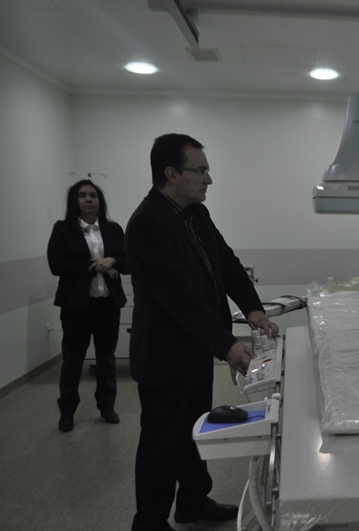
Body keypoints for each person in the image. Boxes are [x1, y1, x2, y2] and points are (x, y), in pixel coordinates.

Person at [125, 133, 279, 531]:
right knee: (162, 442)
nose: (208, 179)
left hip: (193, 349)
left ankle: (193, 502)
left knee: (195, 431)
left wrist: (253, 308)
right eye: (201, 170)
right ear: (172, 174)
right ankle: (149, 522)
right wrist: (227, 344)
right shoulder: (147, 224)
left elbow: (226, 263)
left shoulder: (195, 213)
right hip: (164, 356)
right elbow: (178, 297)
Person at [47, 179, 128, 432]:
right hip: (75, 307)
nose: (88, 199)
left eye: (93, 195)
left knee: (107, 359)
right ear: (75, 200)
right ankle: (67, 412)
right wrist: (95, 265)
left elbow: (128, 261)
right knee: (73, 360)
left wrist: (112, 260)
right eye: (82, 195)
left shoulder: (113, 229)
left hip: (108, 305)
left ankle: (107, 406)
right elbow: (57, 265)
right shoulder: (63, 229)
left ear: (99, 201)